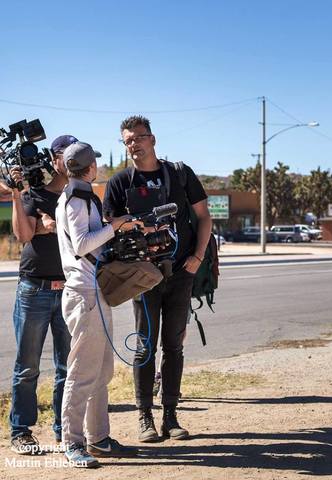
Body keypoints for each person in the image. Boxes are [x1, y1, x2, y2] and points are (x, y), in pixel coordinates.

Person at [103, 115, 212, 442]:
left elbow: (204, 217)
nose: (134, 145)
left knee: (174, 347)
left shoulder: (180, 174)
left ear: (152, 139)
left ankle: (171, 417)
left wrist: (196, 258)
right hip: (142, 275)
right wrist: (136, 224)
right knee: (145, 348)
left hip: (180, 272)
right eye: (128, 141)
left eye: (138, 138)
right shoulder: (120, 182)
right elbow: (109, 222)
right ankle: (144, 419)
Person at [56, 141, 138, 467]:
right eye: (96, 165)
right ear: (90, 169)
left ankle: (99, 438)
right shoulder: (77, 201)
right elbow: (81, 244)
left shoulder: (84, 196)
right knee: (82, 372)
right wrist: (115, 226)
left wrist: (117, 229)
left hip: (95, 291)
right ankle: (73, 442)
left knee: (101, 371)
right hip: (83, 294)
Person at [8, 135, 77, 454]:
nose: (75, 160)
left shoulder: (81, 197)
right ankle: (21, 431)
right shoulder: (34, 194)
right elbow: (23, 234)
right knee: (27, 367)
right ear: (55, 160)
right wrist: (14, 194)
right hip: (33, 289)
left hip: (70, 291)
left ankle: (64, 430)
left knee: (68, 367)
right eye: (68, 155)